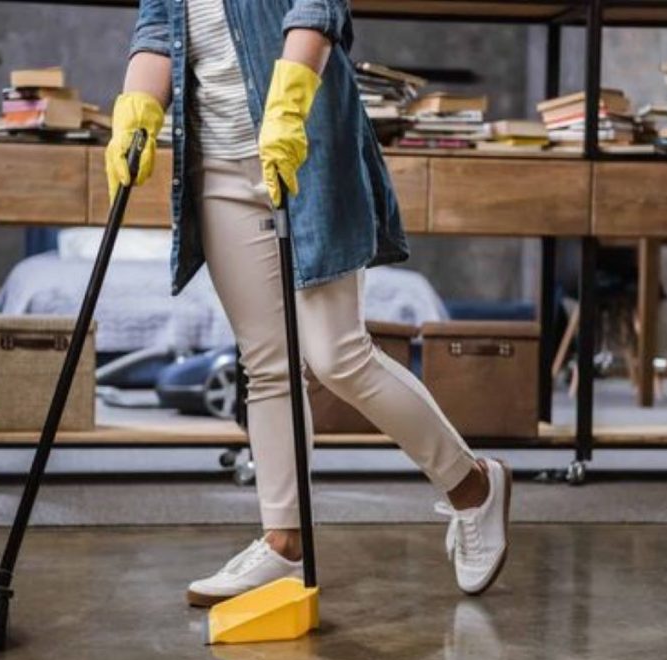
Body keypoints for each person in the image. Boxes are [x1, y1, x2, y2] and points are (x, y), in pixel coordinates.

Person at [105, 0, 512, 605]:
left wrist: (289, 103)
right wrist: (136, 110)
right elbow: (158, 29)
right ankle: (282, 544)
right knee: (266, 363)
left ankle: (472, 486)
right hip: (215, 164)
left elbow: (318, 8)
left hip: (305, 146)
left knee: (338, 354)